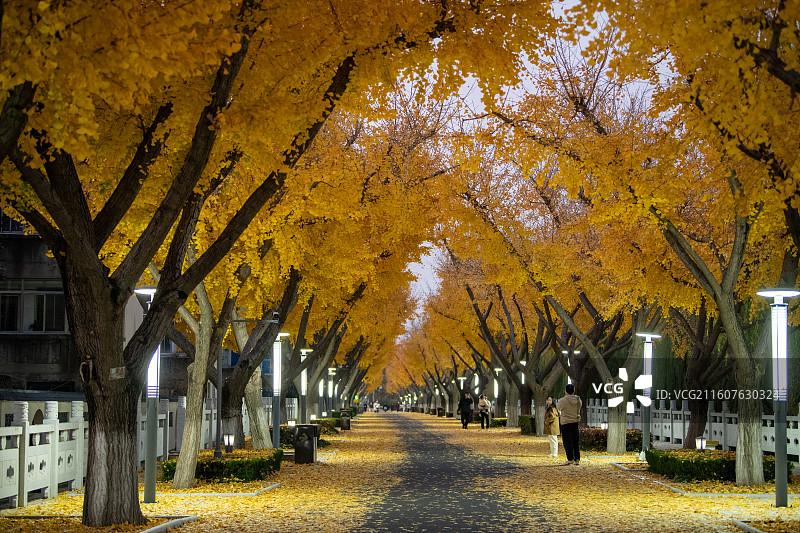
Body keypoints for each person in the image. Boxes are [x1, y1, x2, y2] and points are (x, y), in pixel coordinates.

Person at [556, 383, 582, 465]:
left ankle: (570, 459)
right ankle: (577, 458)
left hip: (566, 423)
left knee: (568, 442)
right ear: (573, 391)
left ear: (565, 391)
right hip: (575, 422)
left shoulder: (563, 400)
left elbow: (558, 408)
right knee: (575, 441)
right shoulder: (578, 400)